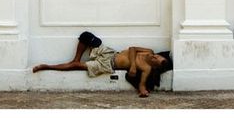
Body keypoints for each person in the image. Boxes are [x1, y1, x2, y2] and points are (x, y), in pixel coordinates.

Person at [32, 31, 173, 97]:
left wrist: (143, 91)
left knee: (77, 67)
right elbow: (132, 48)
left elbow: (142, 85)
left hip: (107, 65)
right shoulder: (149, 51)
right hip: (110, 53)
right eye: (157, 56)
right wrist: (133, 65)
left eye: (157, 59)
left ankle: (47, 66)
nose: (155, 56)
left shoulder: (147, 68)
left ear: (155, 66)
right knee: (86, 36)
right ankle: (76, 58)